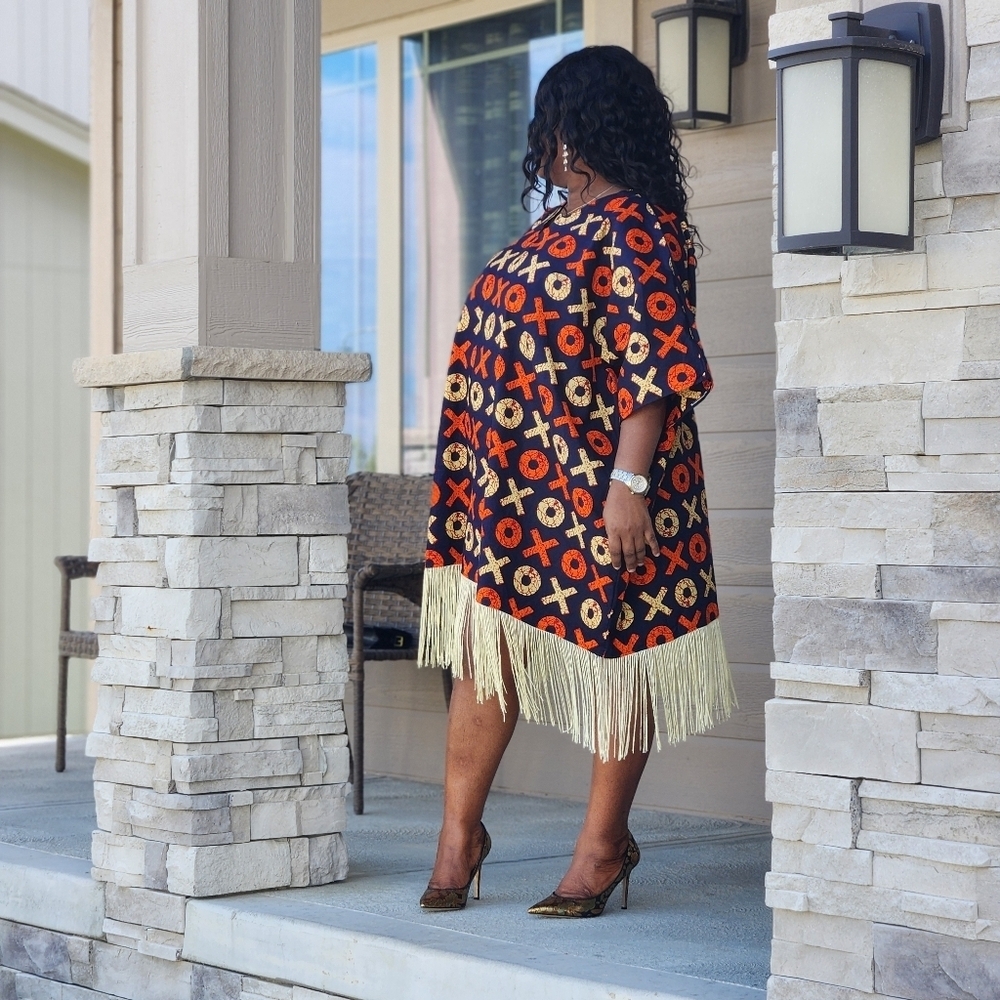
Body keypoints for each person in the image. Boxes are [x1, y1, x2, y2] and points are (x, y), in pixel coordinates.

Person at [416, 44, 736, 918]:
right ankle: (458, 838)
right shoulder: (549, 232)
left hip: (605, 487)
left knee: (621, 660)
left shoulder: (638, 223)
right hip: (514, 493)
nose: (546, 141)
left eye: (556, 120)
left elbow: (657, 361)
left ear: (586, 124)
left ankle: (600, 850)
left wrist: (628, 483)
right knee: (491, 654)